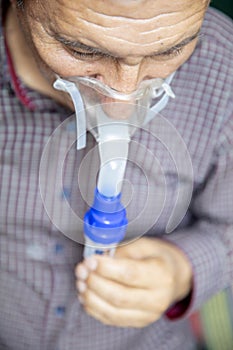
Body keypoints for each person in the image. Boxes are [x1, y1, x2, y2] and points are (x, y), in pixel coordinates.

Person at [0, 0, 232, 349]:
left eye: (170, 50)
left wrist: (183, 268)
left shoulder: (224, 74)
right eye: (80, 50)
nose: (122, 104)